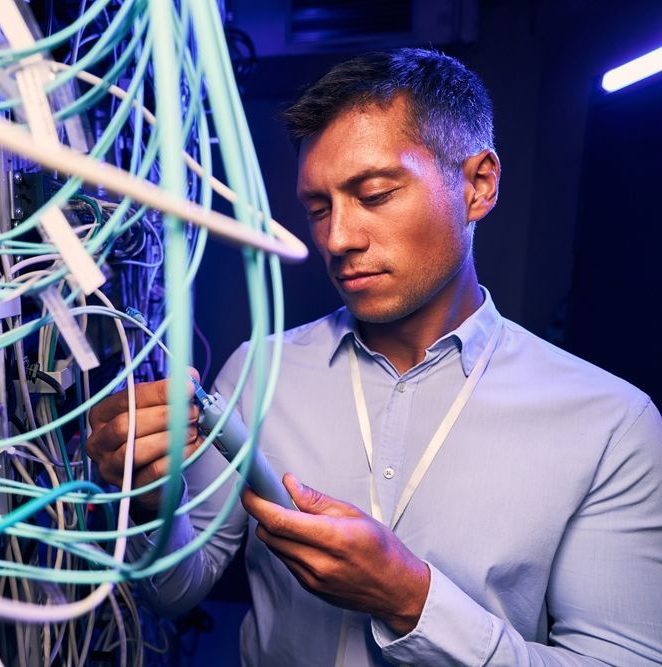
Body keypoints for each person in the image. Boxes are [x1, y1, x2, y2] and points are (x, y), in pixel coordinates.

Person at [87, 48, 662, 665]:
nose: (338, 238)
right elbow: (175, 590)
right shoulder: (258, 370)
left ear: (478, 186)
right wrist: (148, 499)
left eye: (376, 194)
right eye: (317, 208)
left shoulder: (612, 424)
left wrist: (412, 601)